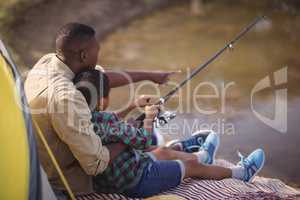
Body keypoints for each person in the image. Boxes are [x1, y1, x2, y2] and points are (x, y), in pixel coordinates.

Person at [24, 22, 176, 196]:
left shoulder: (49, 62)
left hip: (44, 162)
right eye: (97, 51)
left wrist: (150, 75)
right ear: (83, 55)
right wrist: (128, 134)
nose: (99, 55)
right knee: (152, 145)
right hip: (70, 183)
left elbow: (99, 79)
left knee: (151, 144)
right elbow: (95, 164)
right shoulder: (66, 98)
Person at [73, 69, 266, 198]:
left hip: (122, 172)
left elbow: (111, 120)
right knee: (190, 166)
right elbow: (143, 140)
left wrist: (132, 105)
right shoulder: (106, 121)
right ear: (103, 100)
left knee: (164, 152)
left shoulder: (85, 117)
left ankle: (203, 156)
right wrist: (149, 117)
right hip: (137, 180)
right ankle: (241, 173)